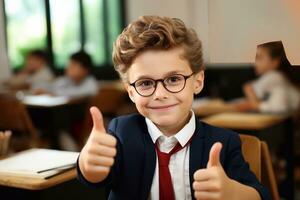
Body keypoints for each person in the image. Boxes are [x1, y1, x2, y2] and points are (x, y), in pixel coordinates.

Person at [77, 16, 270, 200]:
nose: (160, 93)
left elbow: (261, 195)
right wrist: (88, 164)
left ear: (198, 81)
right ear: (130, 92)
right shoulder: (122, 133)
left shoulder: (223, 142)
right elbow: (95, 177)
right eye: (145, 83)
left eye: (174, 79)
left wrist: (231, 193)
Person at [234, 41, 300, 114]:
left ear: (275, 62)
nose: (254, 63)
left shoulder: (274, 76)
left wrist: (248, 89)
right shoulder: (281, 76)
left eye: (259, 58)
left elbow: (252, 96)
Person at [34, 51, 98, 98]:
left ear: (85, 69)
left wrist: (52, 93)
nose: (68, 69)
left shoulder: (91, 83)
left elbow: (77, 93)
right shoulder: (67, 80)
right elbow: (51, 86)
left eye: (73, 66)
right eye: (68, 65)